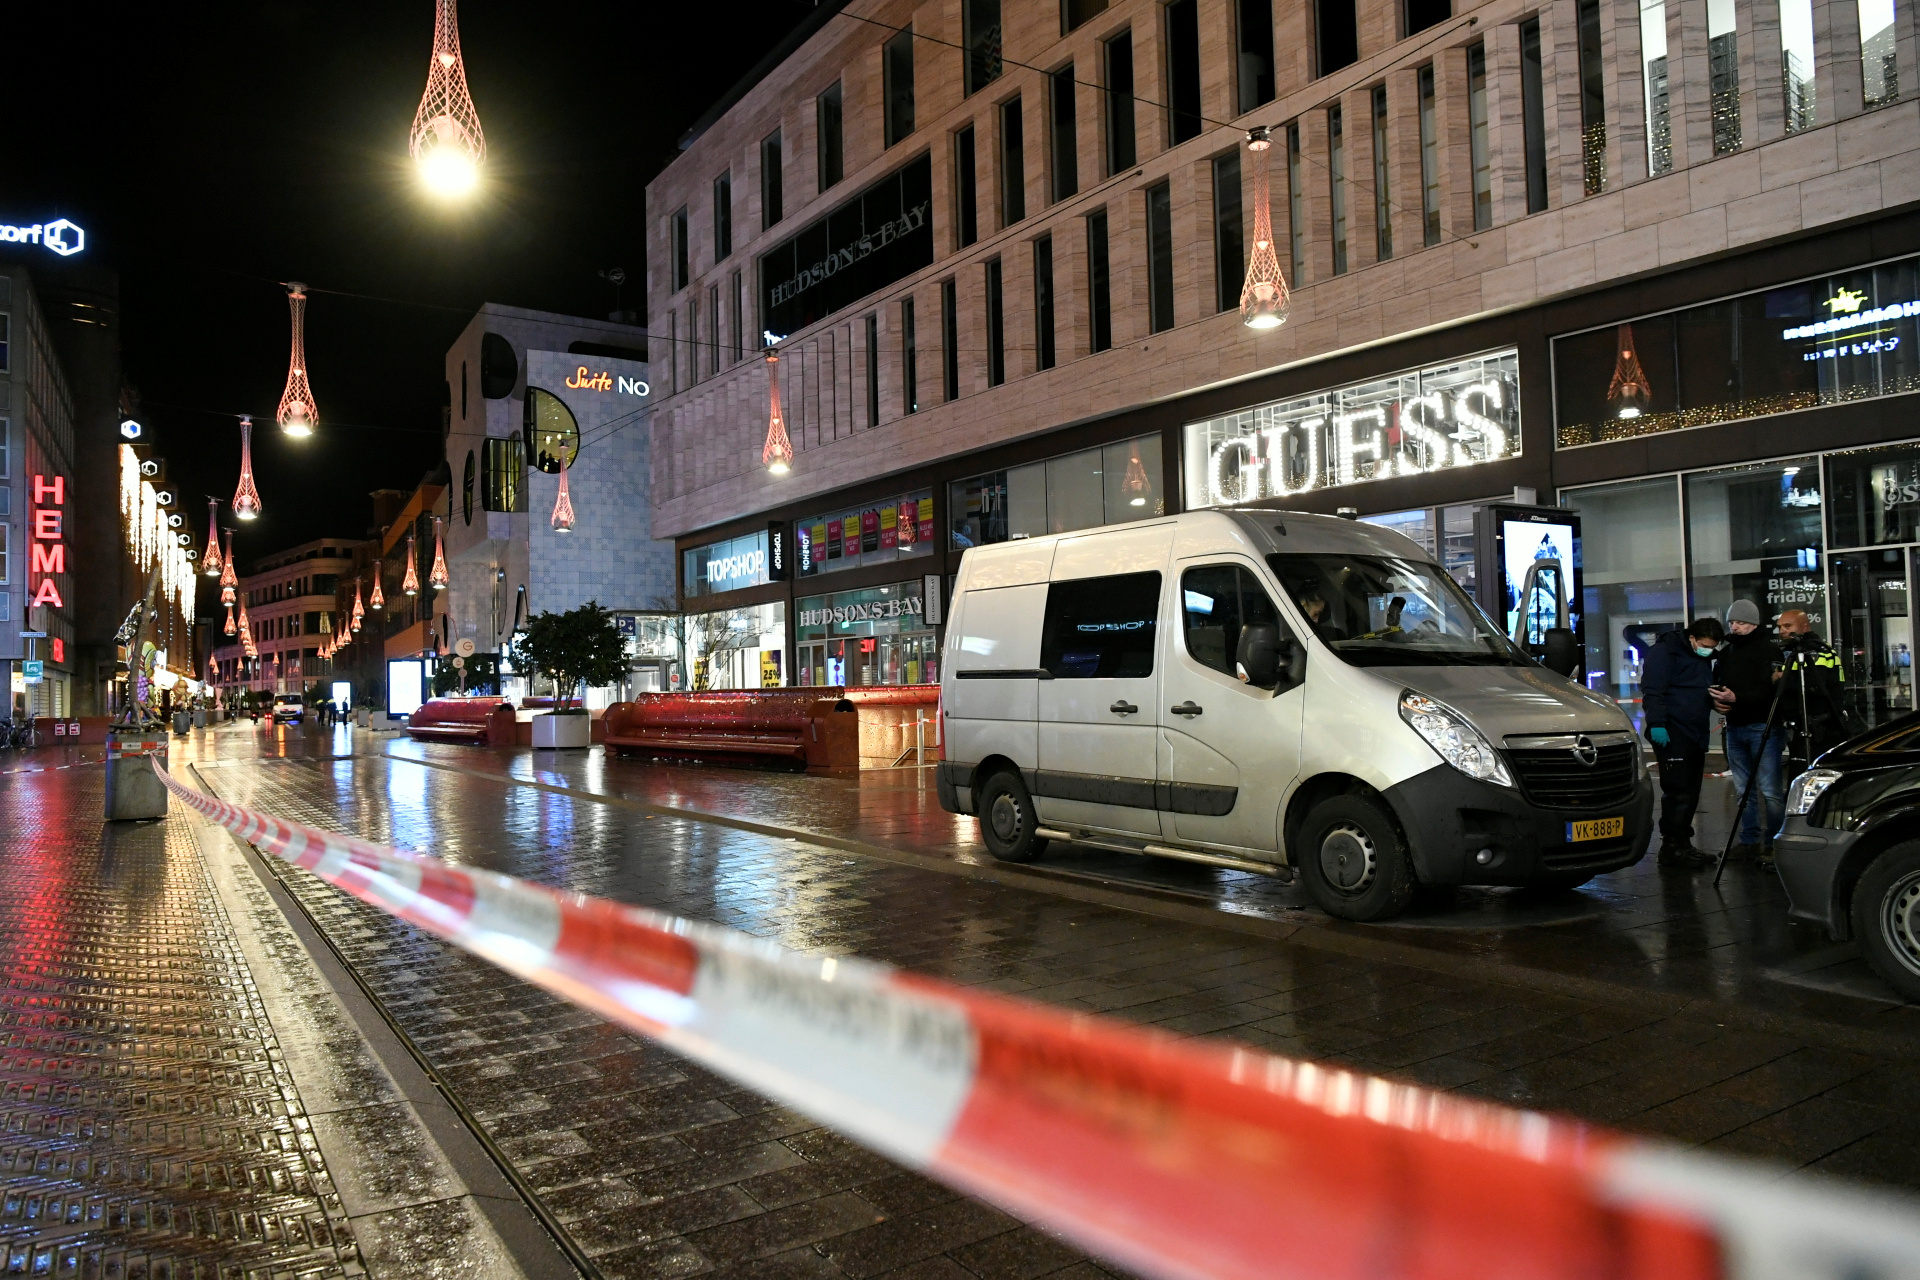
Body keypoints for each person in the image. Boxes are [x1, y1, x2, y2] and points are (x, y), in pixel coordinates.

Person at [1641, 616, 1726, 866]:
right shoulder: (1664, 653)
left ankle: (1682, 843)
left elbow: (1697, 689)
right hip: (1672, 731)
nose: (1707, 650)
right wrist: (1657, 724)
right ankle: (1672, 846)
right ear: (1691, 638)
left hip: (1694, 731)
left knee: (1690, 791)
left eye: (1712, 646)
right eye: (1704, 644)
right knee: (1678, 791)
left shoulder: (1701, 658)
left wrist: (1713, 701)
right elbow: (1653, 690)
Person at [1711, 600, 1784, 859]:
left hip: (1762, 725)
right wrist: (1717, 701)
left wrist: (1736, 698)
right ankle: (1749, 840)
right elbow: (1717, 682)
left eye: (1741, 623)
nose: (1735, 627)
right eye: (1732, 622)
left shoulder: (1768, 651)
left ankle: (1775, 843)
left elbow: (1772, 691)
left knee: (1770, 789)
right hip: (1735, 726)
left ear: (1753, 624)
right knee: (1743, 790)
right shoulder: (1726, 653)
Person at [1776, 609, 1855, 765]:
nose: (1782, 631)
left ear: (1805, 627)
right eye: (1779, 627)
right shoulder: (1794, 651)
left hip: (1820, 727)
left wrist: (1780, 678)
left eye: (1788, 626)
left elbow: (1813, 686)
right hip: (1805, 725)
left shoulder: (1815, 652)